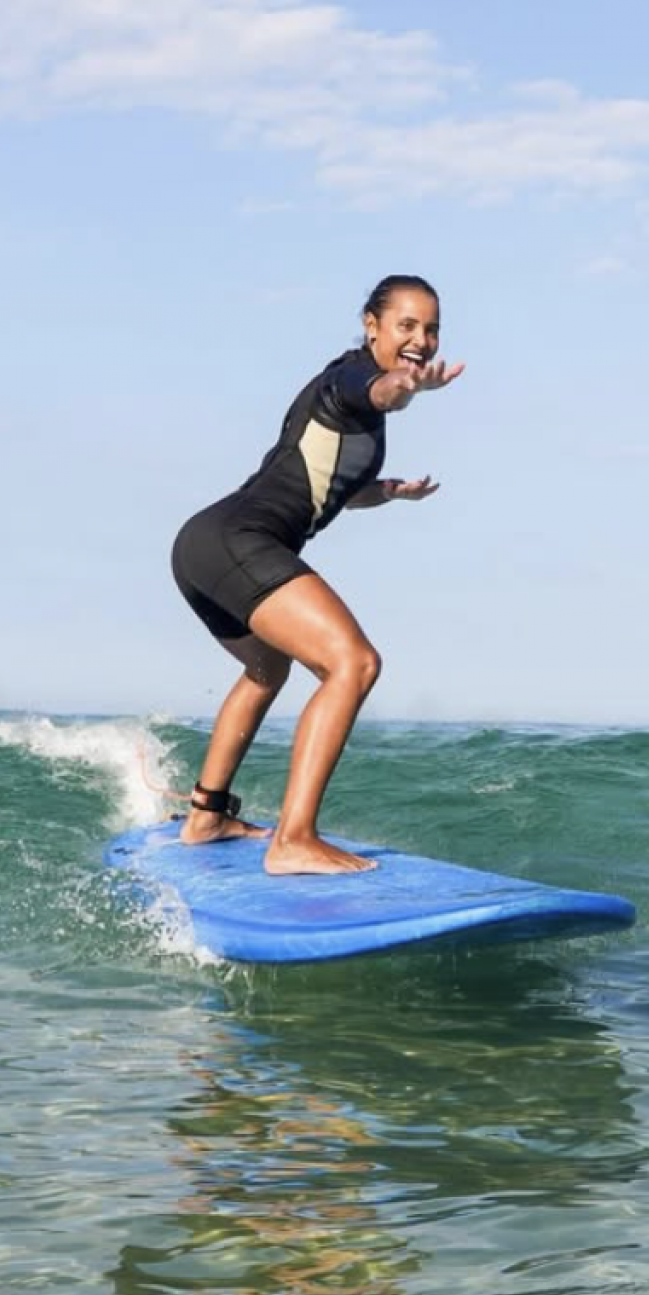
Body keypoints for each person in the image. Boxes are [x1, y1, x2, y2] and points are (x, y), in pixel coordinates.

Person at [169, 275, 464, 875]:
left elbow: (333, 488)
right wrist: (405, 384)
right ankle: (293, 839)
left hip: (205, 544)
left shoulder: (347, 405)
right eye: (406, 325)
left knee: (266, 667)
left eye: (431, 328)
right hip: (239, 540)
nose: (421, 339)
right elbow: (381, 390)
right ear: (371, 325)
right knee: (353, 663)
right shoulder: (350, 379)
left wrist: (386, 493)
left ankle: (207, 814)